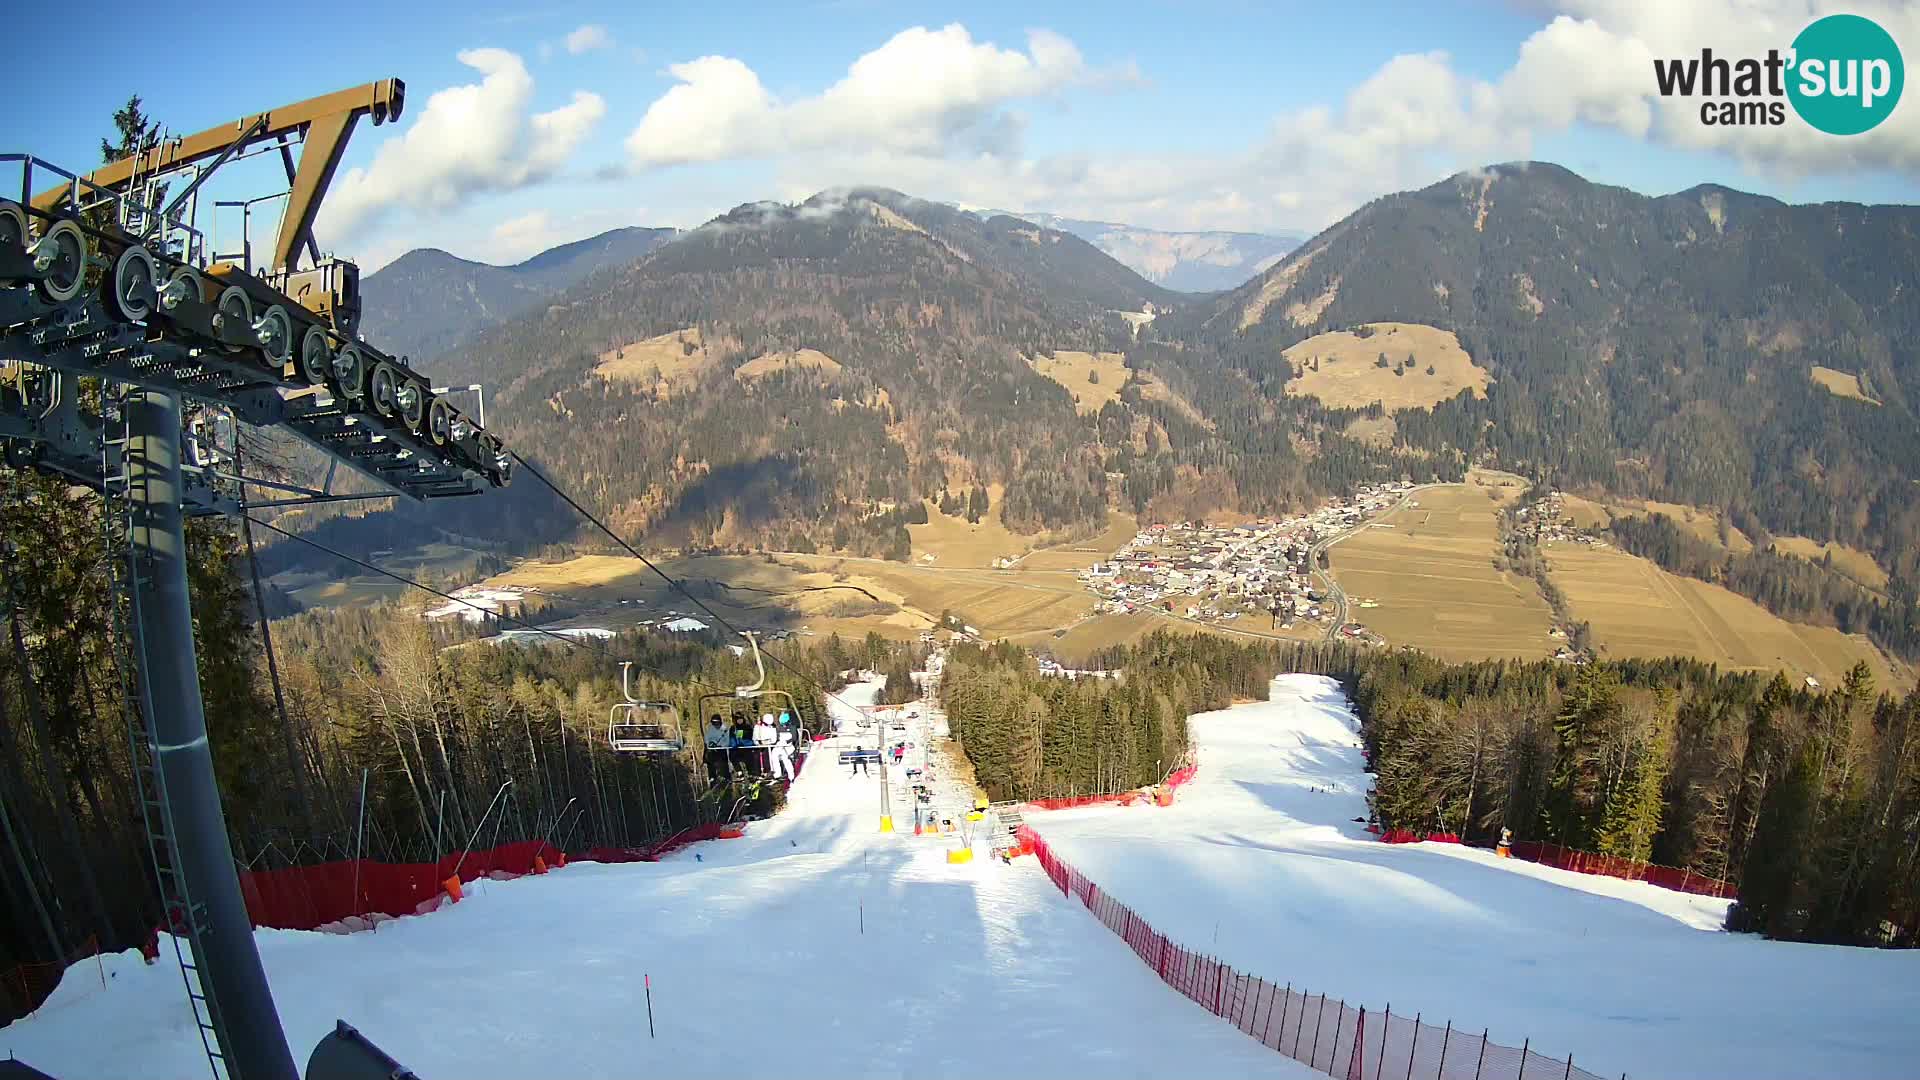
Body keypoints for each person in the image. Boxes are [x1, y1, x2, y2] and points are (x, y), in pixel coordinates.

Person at [704, 715, 732, 780]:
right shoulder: (710, 729)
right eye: (714, 723)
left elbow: (727, 740)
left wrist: (721, 745)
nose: (715, 725)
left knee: (722, 762)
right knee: (710, 761)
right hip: (712, 749)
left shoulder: (724, 729)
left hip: (721, 749)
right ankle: (712, 776)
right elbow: (707, 738)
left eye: (717, 723)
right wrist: (710, 744)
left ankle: (725, 776)